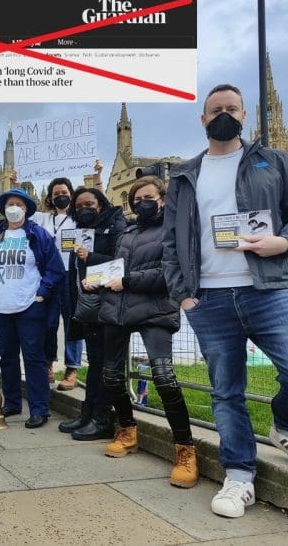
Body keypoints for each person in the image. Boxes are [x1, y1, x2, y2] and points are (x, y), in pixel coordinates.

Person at [163, 83, 288, 518]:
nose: (223, 114)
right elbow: (172, 242)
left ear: (245, 115)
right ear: (203, 119)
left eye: (231, 108)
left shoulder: (273, 160)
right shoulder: (184, 174)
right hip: (209, 298)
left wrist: (283, 242)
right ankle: (239, 477)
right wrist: (183, 295)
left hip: (270, 287)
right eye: (215, 109)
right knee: (226, 392)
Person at [94, 176, 198, 488]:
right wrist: (95, 277)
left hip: (154, 309)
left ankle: (185, 449)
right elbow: (117, 266)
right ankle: (127, 430)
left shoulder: (174, 227)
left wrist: (127, 281)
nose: (141, 203)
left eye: (148, 197)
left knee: (164, 378)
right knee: (110, 376)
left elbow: (170, 271)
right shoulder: (128, 230)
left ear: (163, 198)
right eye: (136, 199)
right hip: (118, 308)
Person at [0, 188, 65, 429]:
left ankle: (39, 408)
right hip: (1, 306)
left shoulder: (38, 235)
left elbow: (55, 269)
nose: (13, 208)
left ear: (26, 209)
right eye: (9, 204)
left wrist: (42, 293)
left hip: (29, 307)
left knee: (33, 358)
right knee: (7, 357)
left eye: (18, 204)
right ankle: (13, 402)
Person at [58, 187, 126, 439]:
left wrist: (92, 257)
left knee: (108, 364)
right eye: (79, 206)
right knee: (95, 362)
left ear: (101, 204)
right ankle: (87, 413)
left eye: (89, 204)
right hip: (88, 305)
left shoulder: (117, 224)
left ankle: (102, 418)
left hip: (110, 303)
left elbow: (123, 259)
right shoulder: (81, 232)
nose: (83, 209)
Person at [30, 177, 85, 390]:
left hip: (70, 274)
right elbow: (21, 208)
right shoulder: (42, 218)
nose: (60, 196)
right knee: (47, 323)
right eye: (56, 194)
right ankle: (48, 365)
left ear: (71, 194)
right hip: (48, 275)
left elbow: (100, 203)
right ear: (50, 198)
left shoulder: (79, 218)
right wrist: (13, 183)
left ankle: (72, 368)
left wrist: (98, 177)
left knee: (73, 322)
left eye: (64, 192)